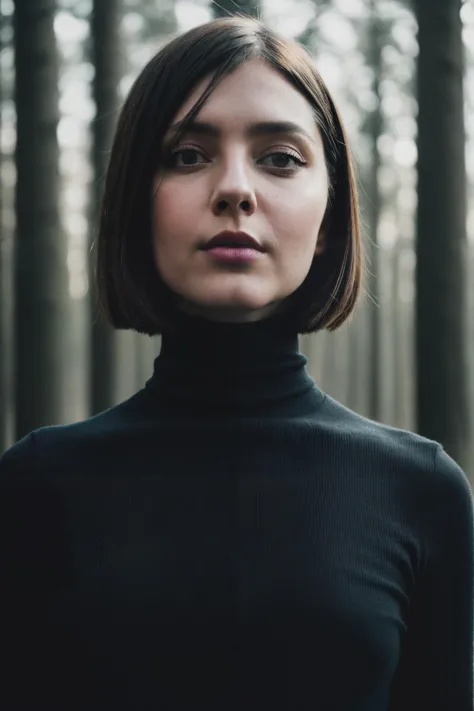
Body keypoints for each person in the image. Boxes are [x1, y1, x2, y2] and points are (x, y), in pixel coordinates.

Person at [0, 16, 473, 711]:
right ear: (138, 201)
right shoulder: (33, 487)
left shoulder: (422, 490)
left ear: (331, 214)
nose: (234, 189)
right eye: (188, 155)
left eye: (279, 157)